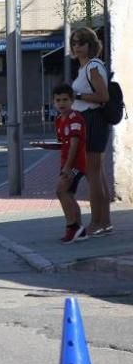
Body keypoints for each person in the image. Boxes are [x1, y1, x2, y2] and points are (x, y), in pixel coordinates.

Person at [69, 27, 112, 237]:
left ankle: (96, 222)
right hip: (90, 121)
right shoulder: (85, 67)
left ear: (90, 45)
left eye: (81, 43)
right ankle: (105, 222)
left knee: (92, 174)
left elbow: (103, 96)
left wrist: (77, 95)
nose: (77, 47)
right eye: (74, 43)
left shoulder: (93, 66)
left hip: (93, 121)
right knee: (98, 174)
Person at [52, 83, 89, 244]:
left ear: (72, 100)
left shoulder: (76, 119)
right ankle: (80, 230)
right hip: (66, 163)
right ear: (54, 102)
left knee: (61, 191)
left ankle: (72, 227)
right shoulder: (59, 120)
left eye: (65, 100)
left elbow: (74, 144)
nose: (61, 103)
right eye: (58, 100)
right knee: (69, 194)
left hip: (75, 164)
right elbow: (63, 143)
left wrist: (68, 167)